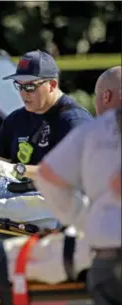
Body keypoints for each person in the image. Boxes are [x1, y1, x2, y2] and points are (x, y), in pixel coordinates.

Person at [34, 66, 122, 305]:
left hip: (111, 260)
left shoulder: (94, 132)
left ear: (105, 96)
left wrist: (83, 219)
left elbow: (48, 176)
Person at [0, 50, 93, 180]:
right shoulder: (17, 118)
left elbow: (71, 171)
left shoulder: (74, 120)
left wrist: (18, 170)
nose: (24, 93)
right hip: (20, 197)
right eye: (19, 85)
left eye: (30, 87)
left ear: (52, 85)